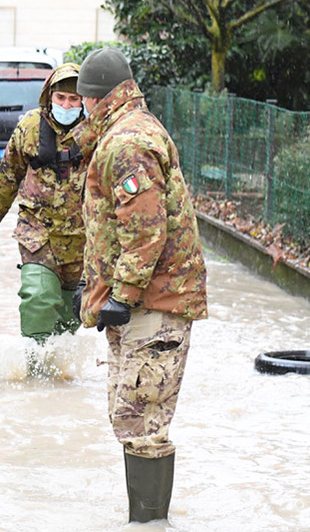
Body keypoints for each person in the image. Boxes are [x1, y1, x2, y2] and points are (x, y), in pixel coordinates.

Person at [75, 47, 208, 523]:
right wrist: (94, 290)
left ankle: (150, 523)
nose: (80, 108)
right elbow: (116, 229)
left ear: (96, 99)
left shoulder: (126, 142)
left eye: (83, 99)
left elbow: (146, 230)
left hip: (154, 304)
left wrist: (121, 296)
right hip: (149, 301)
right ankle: (146, 520)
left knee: (144, 420)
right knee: (132, 415)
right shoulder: (125, 131)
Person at [0, 63, 87, 344]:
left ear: (83, 101)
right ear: (49, 97)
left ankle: (58, 377)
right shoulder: (29, 126)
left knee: (70, 314)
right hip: (37, 232)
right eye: (60, 98)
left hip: (81, 239)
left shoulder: (95, 133)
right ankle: (34, 368)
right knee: (38, 298)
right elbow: (9, 173)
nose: (66, 104)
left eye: (73, 99)